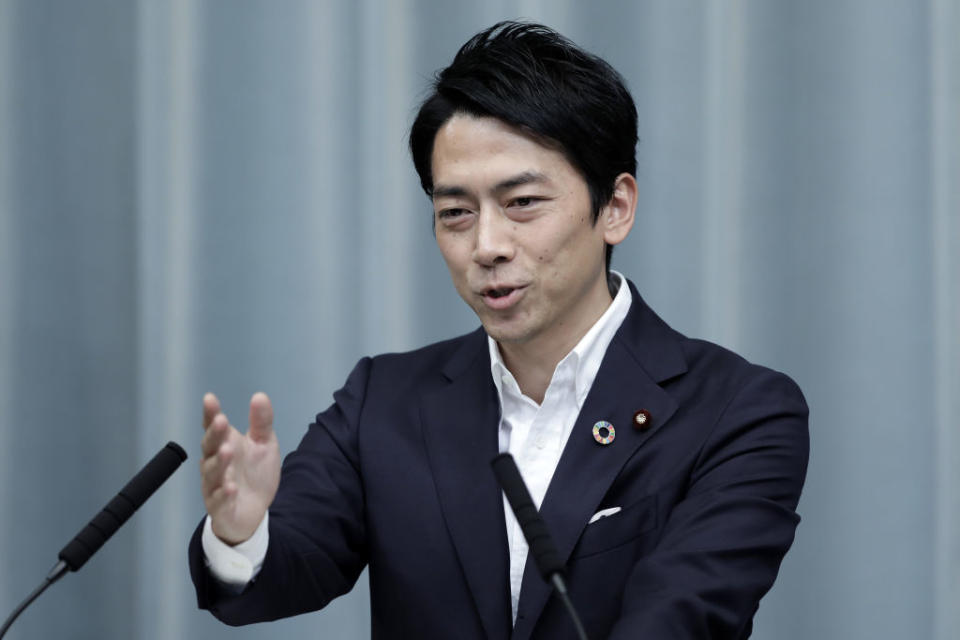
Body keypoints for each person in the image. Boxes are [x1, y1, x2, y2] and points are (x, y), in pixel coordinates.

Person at [189, 21, 809, 640]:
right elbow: (283, 573)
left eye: (522, 204)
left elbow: (684, 617)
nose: (486, 246)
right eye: (455, 213)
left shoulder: (738, 411)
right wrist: (243, 531)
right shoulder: (384, 400)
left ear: (614, 208)